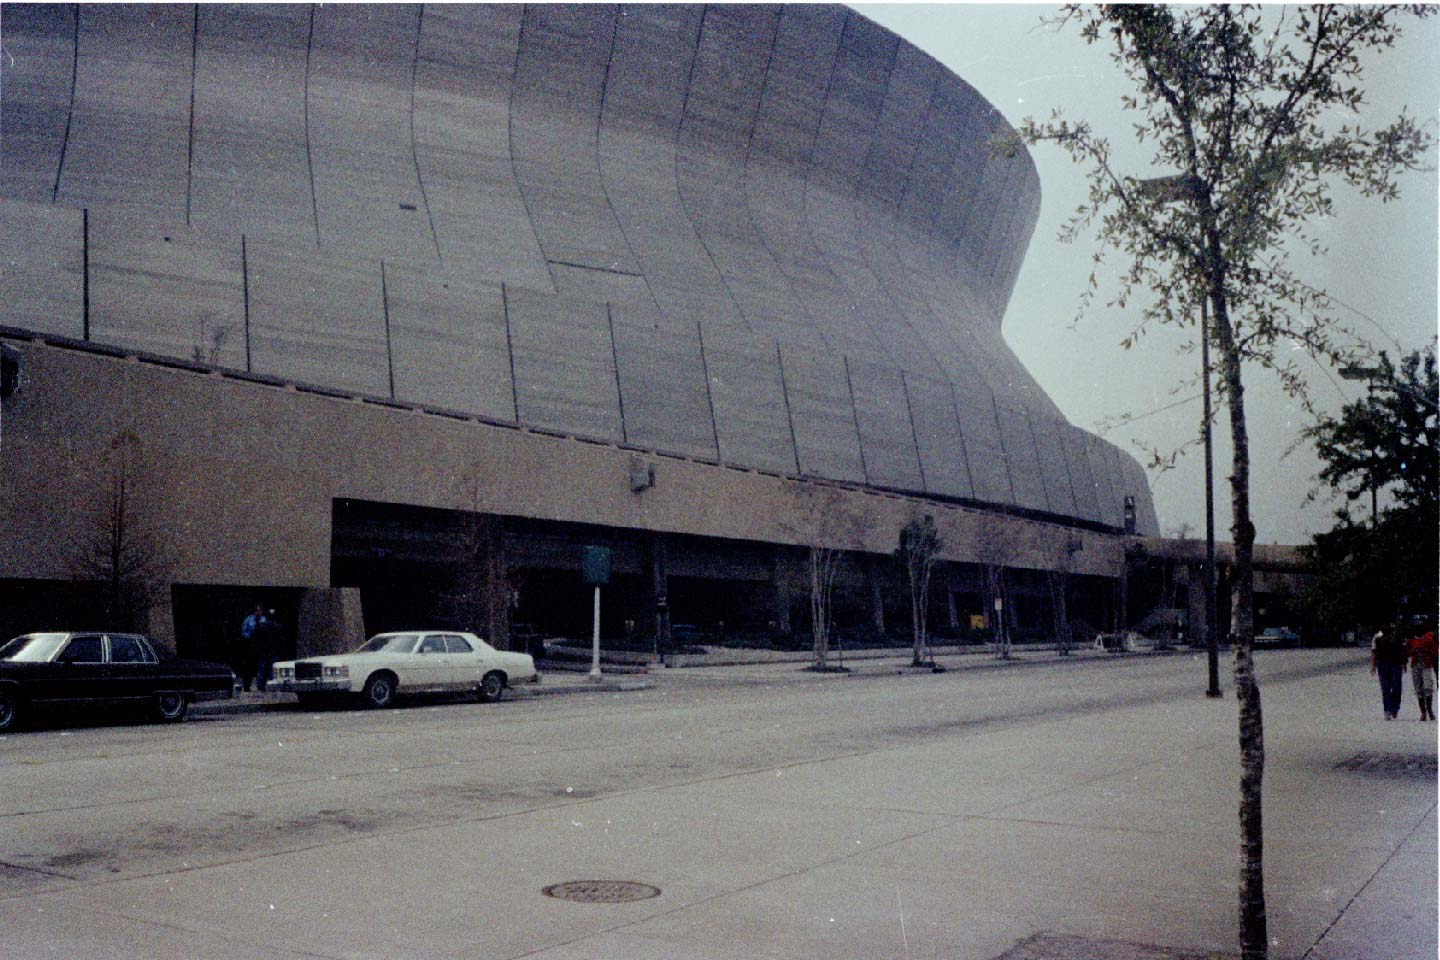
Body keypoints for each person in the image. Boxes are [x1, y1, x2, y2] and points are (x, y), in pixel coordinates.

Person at [1370, 628, 1407, 720]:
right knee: (1385, 688)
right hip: (1383, 664)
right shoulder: (1377, 637)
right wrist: (1373, 666)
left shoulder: (1398, 635)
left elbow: (1402, 650)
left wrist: (1403, 664)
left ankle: (1394, 707)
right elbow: (1374, 652)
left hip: (1396, 663)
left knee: (1396, 686)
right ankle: (1387, 709)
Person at [1405, 628, 1437, 722]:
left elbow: (1435, 652)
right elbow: (1407, 653)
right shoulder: (1410, 640)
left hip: (1426, 665)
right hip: (1416, 665)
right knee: (1418, 688)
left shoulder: (1429, 639)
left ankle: (1430, 710)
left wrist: (1426, 651)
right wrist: (1414, 651)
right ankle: (1423, 712)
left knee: (1428, 687)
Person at [253, 610, 284, 693]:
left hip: (262, 650)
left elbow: (255, 638)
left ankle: (261, 686)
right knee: (272, 668)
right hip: (273, 651)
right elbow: (281, 640)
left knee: (262, 668)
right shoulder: (278, 627)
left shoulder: (260, 626)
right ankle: (272, 684)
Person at [237, 604, 265, 692]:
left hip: (260, 645)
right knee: (248, 666)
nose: (258, 612)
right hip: (250, 645)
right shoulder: (248, 619)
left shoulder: (264, 619)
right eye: (257, 610)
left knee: (261, 665)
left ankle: (261, 686)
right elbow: (243, 631)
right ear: (254, 611)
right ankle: (247, 686)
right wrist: (250, 637)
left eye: (260, 610)